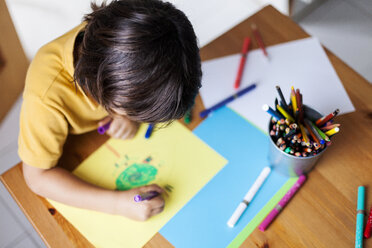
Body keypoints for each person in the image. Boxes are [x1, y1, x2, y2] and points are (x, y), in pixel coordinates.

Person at [18, 0, 201, 221]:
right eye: (133, 111)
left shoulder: (128, 24)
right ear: (107, 95)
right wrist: (118, 204)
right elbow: (37, 177)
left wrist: (126, 116)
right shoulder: (45, 97)